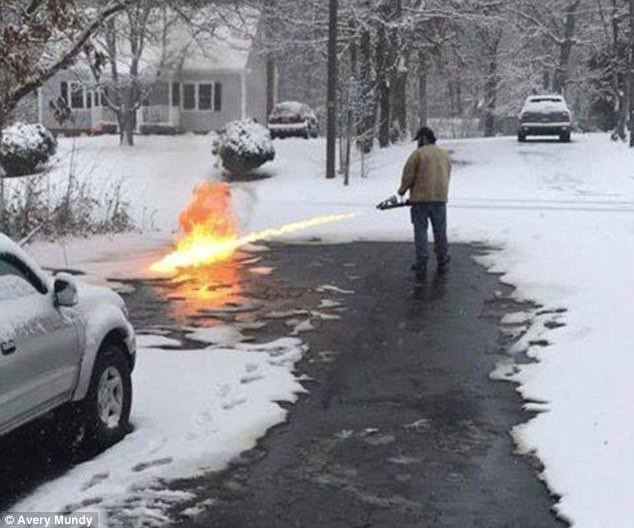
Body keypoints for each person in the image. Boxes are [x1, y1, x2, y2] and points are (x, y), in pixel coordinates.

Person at [397, 126, 452, 275]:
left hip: (420, 199)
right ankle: (442, 257)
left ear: (424, 138)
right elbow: (447, 173)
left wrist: (402, 190)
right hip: (440, 198)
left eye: (418, 139)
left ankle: (422, 260)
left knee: (420, 230)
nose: (417, 143)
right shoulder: (444, 154)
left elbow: (408, 175)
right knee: (440, 230)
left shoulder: (418, 154)